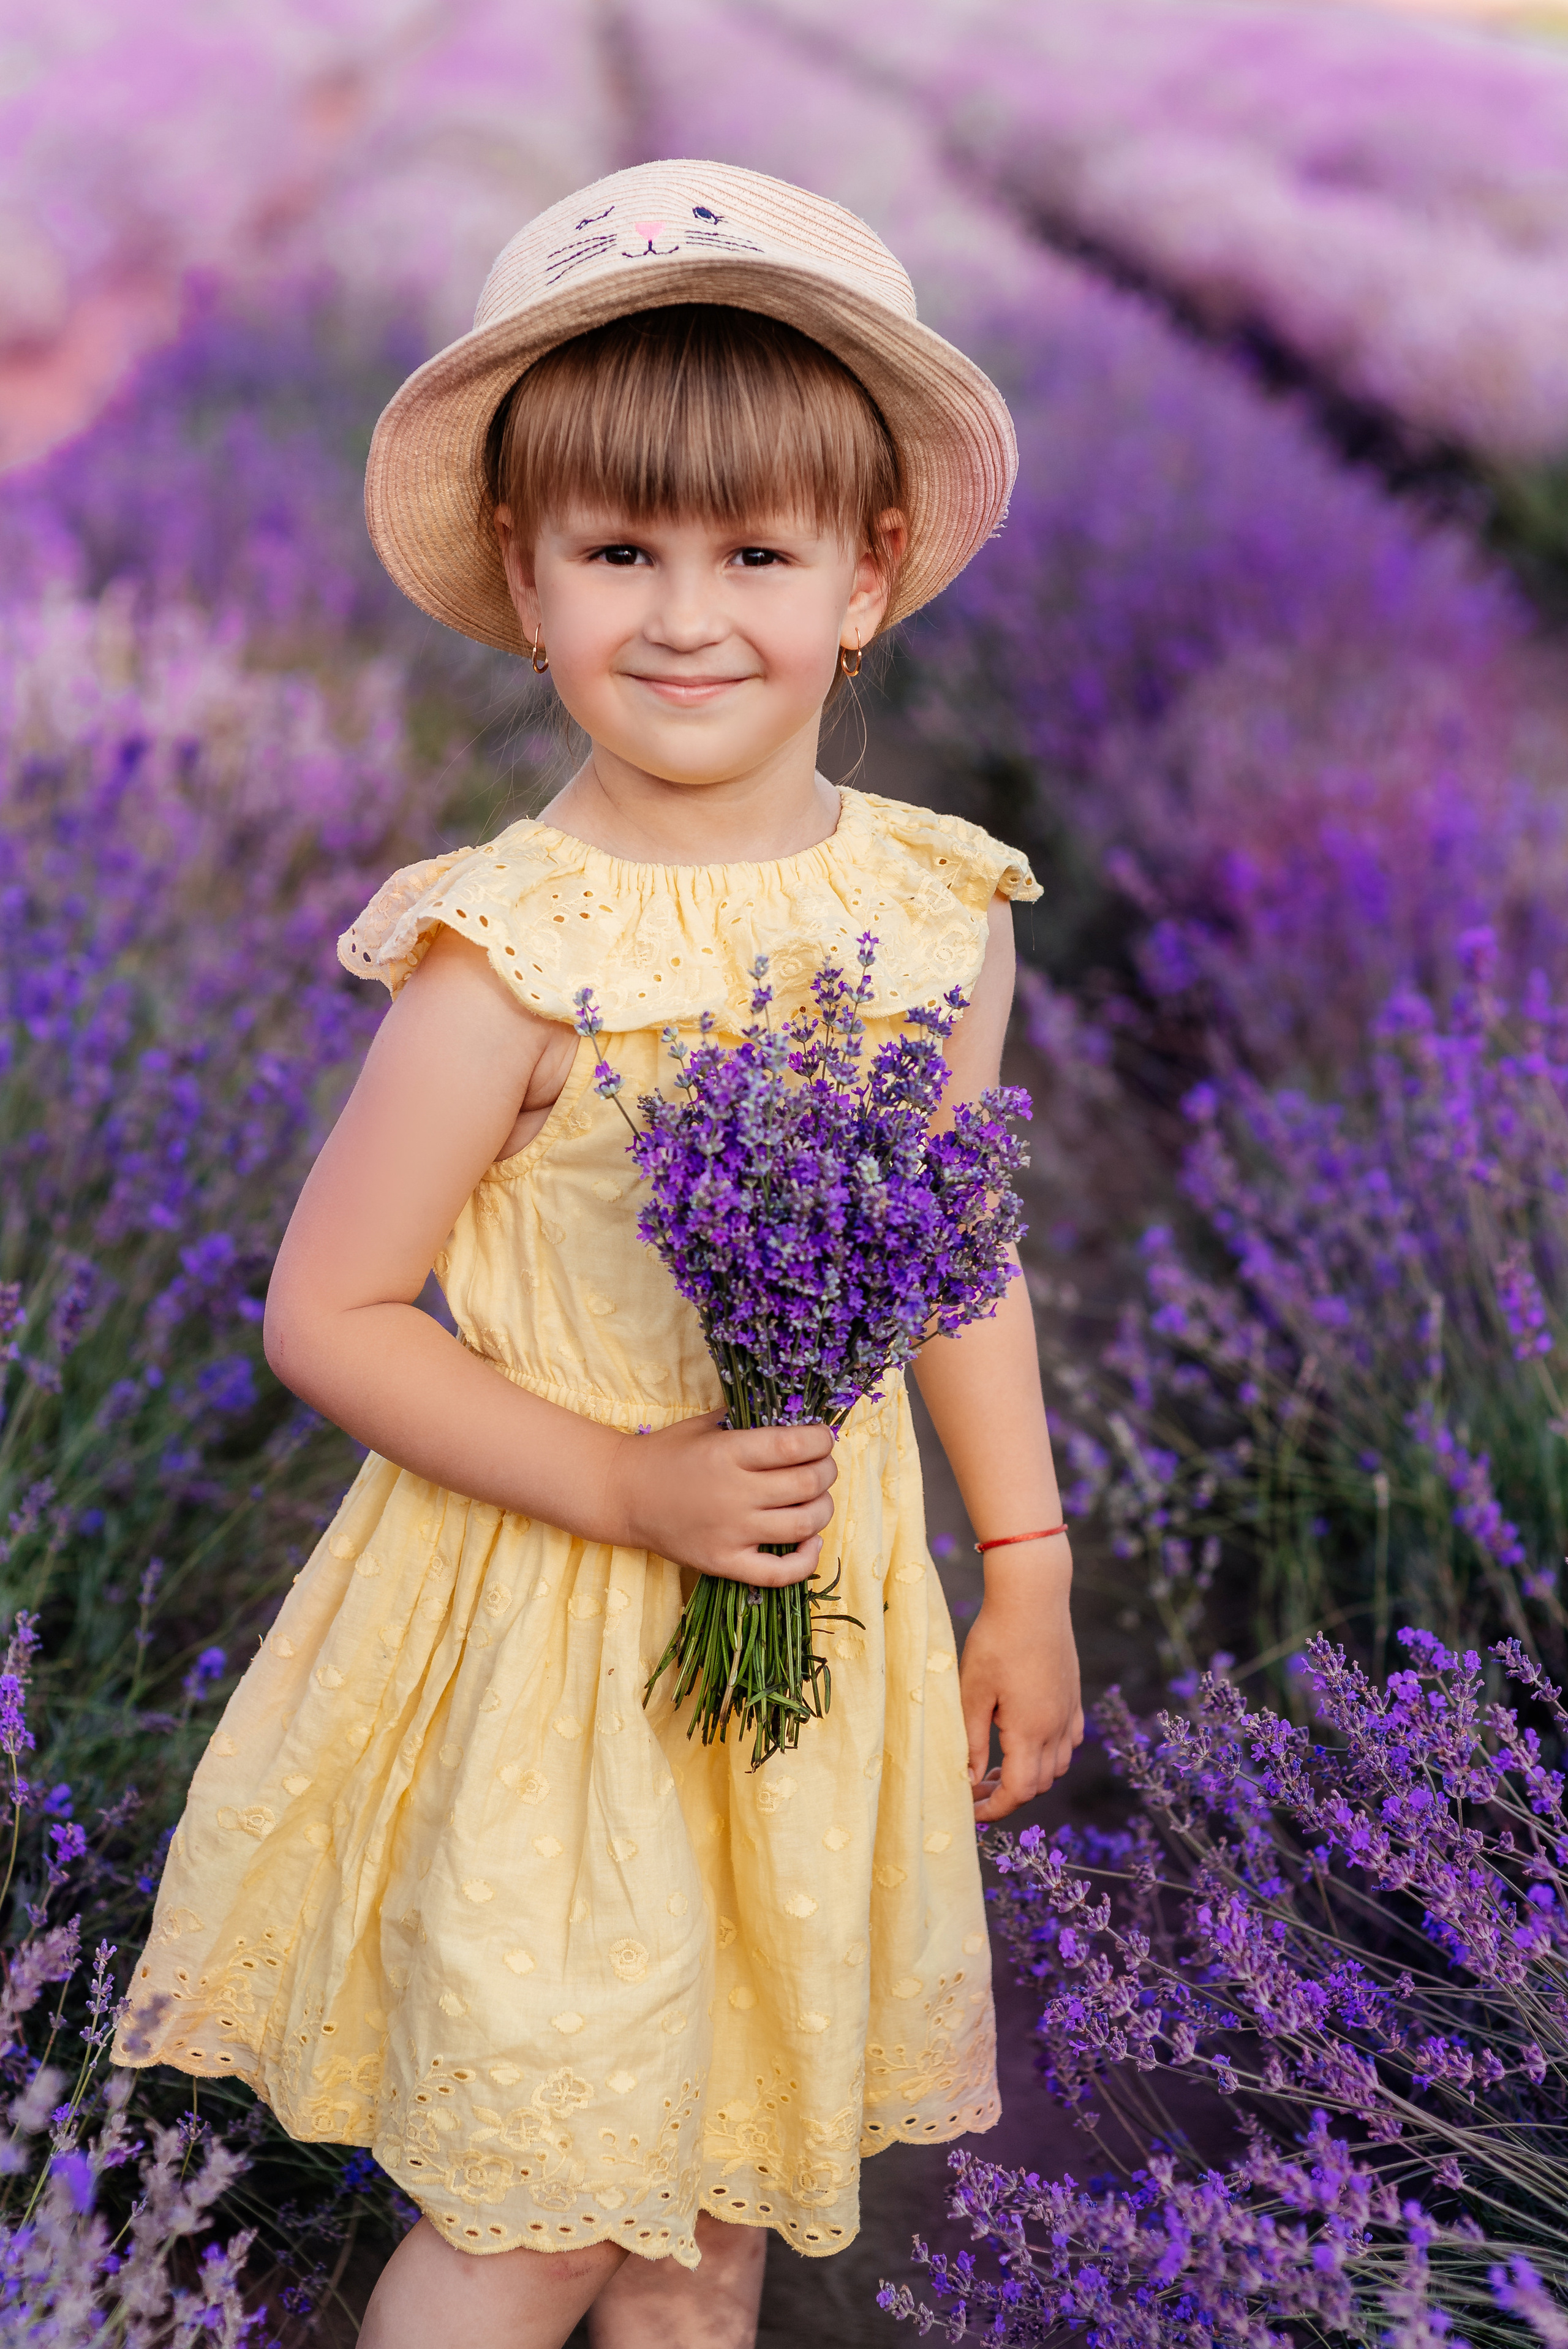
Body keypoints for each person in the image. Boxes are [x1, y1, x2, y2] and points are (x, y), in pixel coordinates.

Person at [114, 159, 1083, 2348]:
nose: (684, 613)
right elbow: (329, 1312)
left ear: (871, 575)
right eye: (618, 552)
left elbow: (955, 1246)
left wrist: (1019, 1561)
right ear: (526, 589)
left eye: (756, 552)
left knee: (711, 2208)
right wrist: (632, 1482)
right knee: (548, 2200)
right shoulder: (512, 949)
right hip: (572, 1628)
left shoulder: (933, 909)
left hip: (818, 1622)